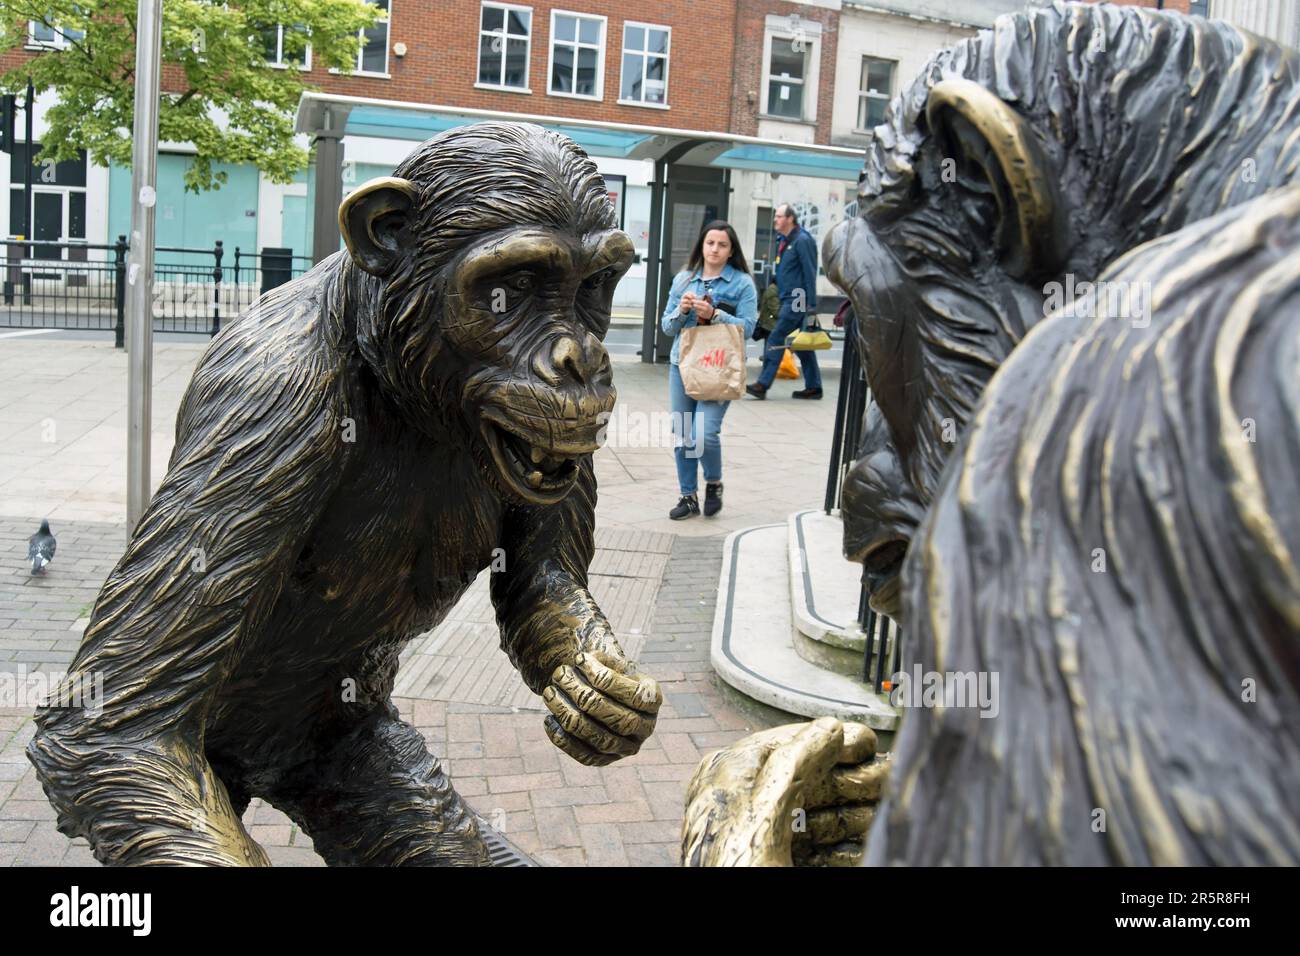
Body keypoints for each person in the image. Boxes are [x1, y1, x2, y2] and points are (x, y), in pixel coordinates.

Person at [660, 220, 758, 520]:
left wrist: (716, 314)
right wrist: (683, 311)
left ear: (731, 251)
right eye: (710, 243)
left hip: (719, 366)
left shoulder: (742, 283)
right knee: (684, 433)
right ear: (702, 246)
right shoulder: (683, 280)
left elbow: (749, 328)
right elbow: (666, 327)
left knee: (704, 433)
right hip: (683, 366)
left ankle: (713, 483)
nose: (715, 249)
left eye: (722, 245)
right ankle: (688, 496)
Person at [747, 203, 823, 400]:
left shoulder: (802, 240)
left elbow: (809, 271)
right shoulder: (784, 240)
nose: (775, 220)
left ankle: (762, 384)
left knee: (775, 336)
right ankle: (814, 387)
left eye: (779, 216)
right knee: (799, 343)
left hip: (797, 298)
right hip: (787, 297)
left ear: (790, 219)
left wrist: (811, 305)